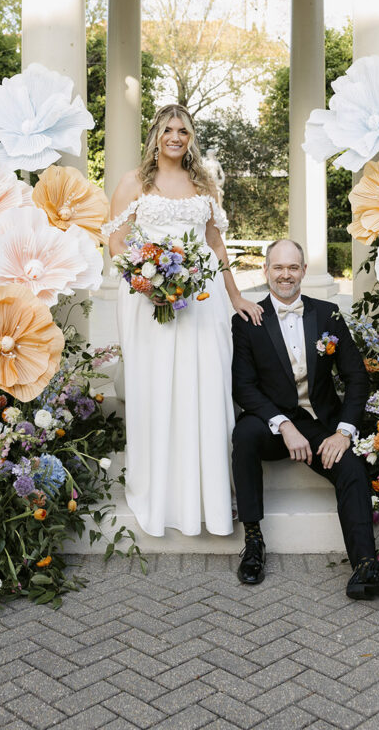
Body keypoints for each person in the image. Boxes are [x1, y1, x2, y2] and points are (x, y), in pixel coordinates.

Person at [231, 238, 379, 600]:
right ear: (266, 271)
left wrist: (344, 432)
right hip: (273, 426)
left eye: (292, 267)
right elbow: (244, 387)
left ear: (303, 271)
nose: (285, 275)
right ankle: (253, 542)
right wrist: (284, 425)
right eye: (278, 267)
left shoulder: (327, 313)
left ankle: (366, 569)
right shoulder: (247, 321)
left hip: (319, 424)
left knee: (350, 467)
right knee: (244, 434)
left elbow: (356, 377)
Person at [105, 104, 262, 537]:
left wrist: (235, 297)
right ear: (156, 134)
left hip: (203, 297)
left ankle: (207, 495)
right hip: (147, 299)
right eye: (169, 129)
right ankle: (161, 492)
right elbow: (116, 242)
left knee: (206, 385)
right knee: (157, 388)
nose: (176, 137)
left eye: (184, 131)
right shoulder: (134, 182)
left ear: (190, 138)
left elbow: (215, 244)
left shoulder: (203, 183)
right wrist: (145, 279)